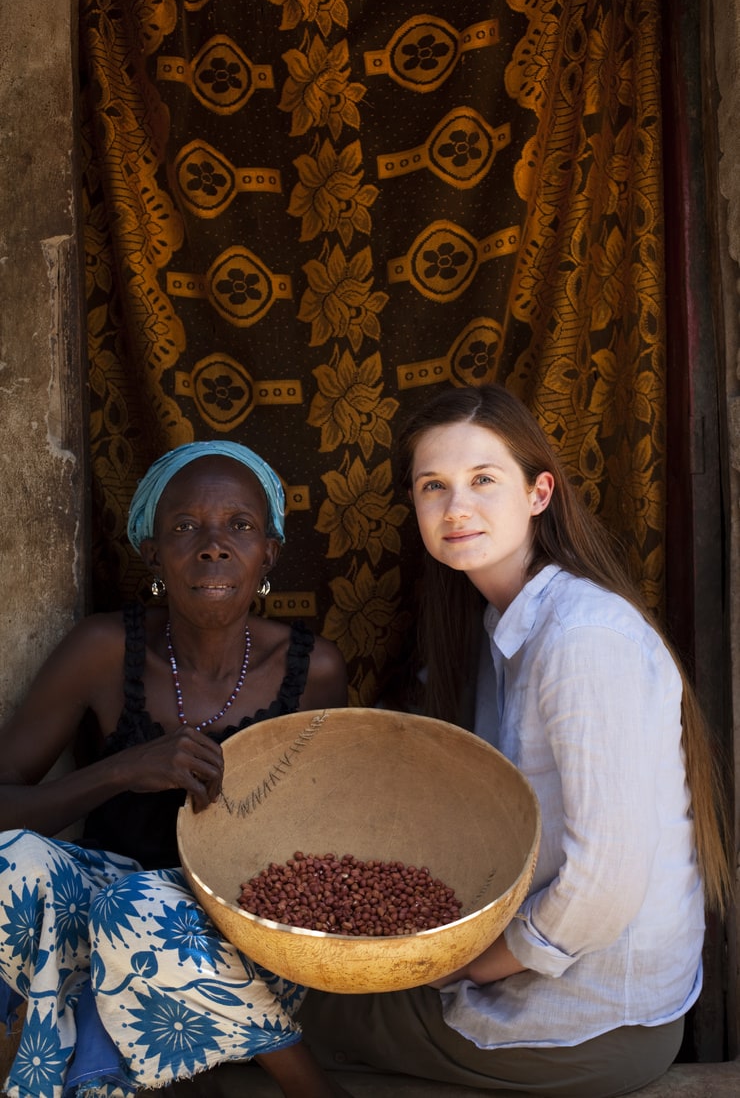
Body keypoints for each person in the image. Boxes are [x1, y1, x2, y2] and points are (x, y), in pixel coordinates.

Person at [296, 384, 733, 1097]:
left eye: (483, 480)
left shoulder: (582, 638)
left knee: (271, 1012)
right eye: (433, 486)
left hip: (588, 1022)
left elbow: (603, 886)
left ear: (539, 493)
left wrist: (467, 964)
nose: (456, 507)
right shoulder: (498, 634)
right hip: (554, 996)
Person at [0, 440, 352, 1098]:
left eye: (239, 527)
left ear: (268, 554)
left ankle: (306, 1083)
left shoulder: (314, 671)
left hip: (240, 942)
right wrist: (120, 771)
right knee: (12, 863)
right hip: (98, 913)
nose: (213, 546)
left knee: (138, 907)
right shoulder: (104, 650)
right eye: (185, 527)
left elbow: (333, 846)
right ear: (153, 554)